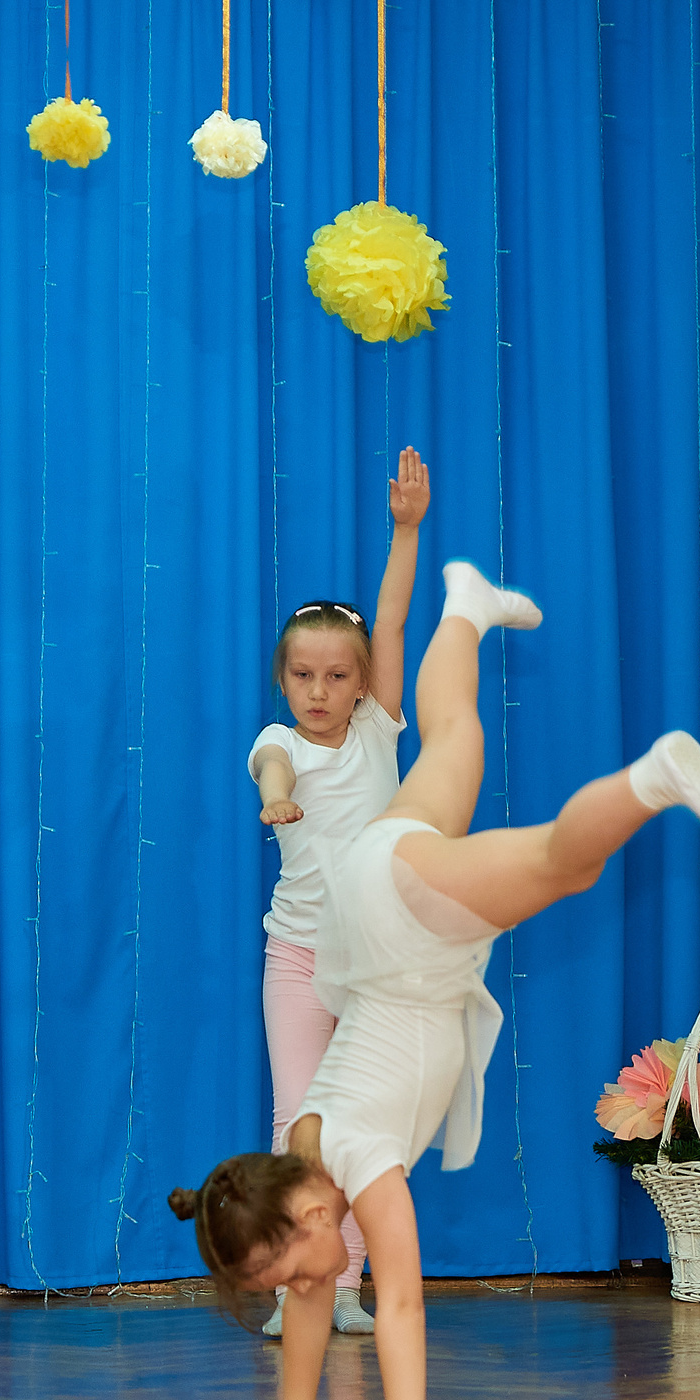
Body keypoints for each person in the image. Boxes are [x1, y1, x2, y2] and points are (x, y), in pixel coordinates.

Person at [171, 563, 700, 1400]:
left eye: (296, 1267)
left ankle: (655, 776)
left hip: (405, 934)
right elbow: (305, 1298)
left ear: (305, 1217)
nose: (303, 1286)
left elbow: (403, 1302)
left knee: (559, 867)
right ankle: (466, 606)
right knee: (454, 740)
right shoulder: (300, 1149)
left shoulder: (362, 1168)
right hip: (384, 885)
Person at [247, 447, 430, 1339]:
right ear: (283, 681)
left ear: (362, 683)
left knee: (363, 1121)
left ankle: (348, 1282)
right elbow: (275, 764)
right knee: (300, 1118)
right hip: (297, 956)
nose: (321, 691)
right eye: (304, 675)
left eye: (338, 675)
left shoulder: (376, 733)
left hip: (375, 959)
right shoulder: (277, 741)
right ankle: (297, 1283)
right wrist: (276, 795)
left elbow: (391, 618)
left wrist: (405, 531)